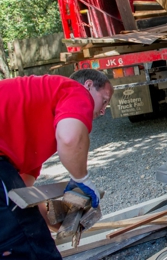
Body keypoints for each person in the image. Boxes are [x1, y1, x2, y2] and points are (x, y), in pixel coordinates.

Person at [0, 69, 113, 258]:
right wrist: (82, 180)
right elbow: (70, 139)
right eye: (104, 100)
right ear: (88, 85)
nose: (103, 111)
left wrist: (56, 223)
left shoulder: (29, 141)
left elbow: (22, 196)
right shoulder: (74, 90)